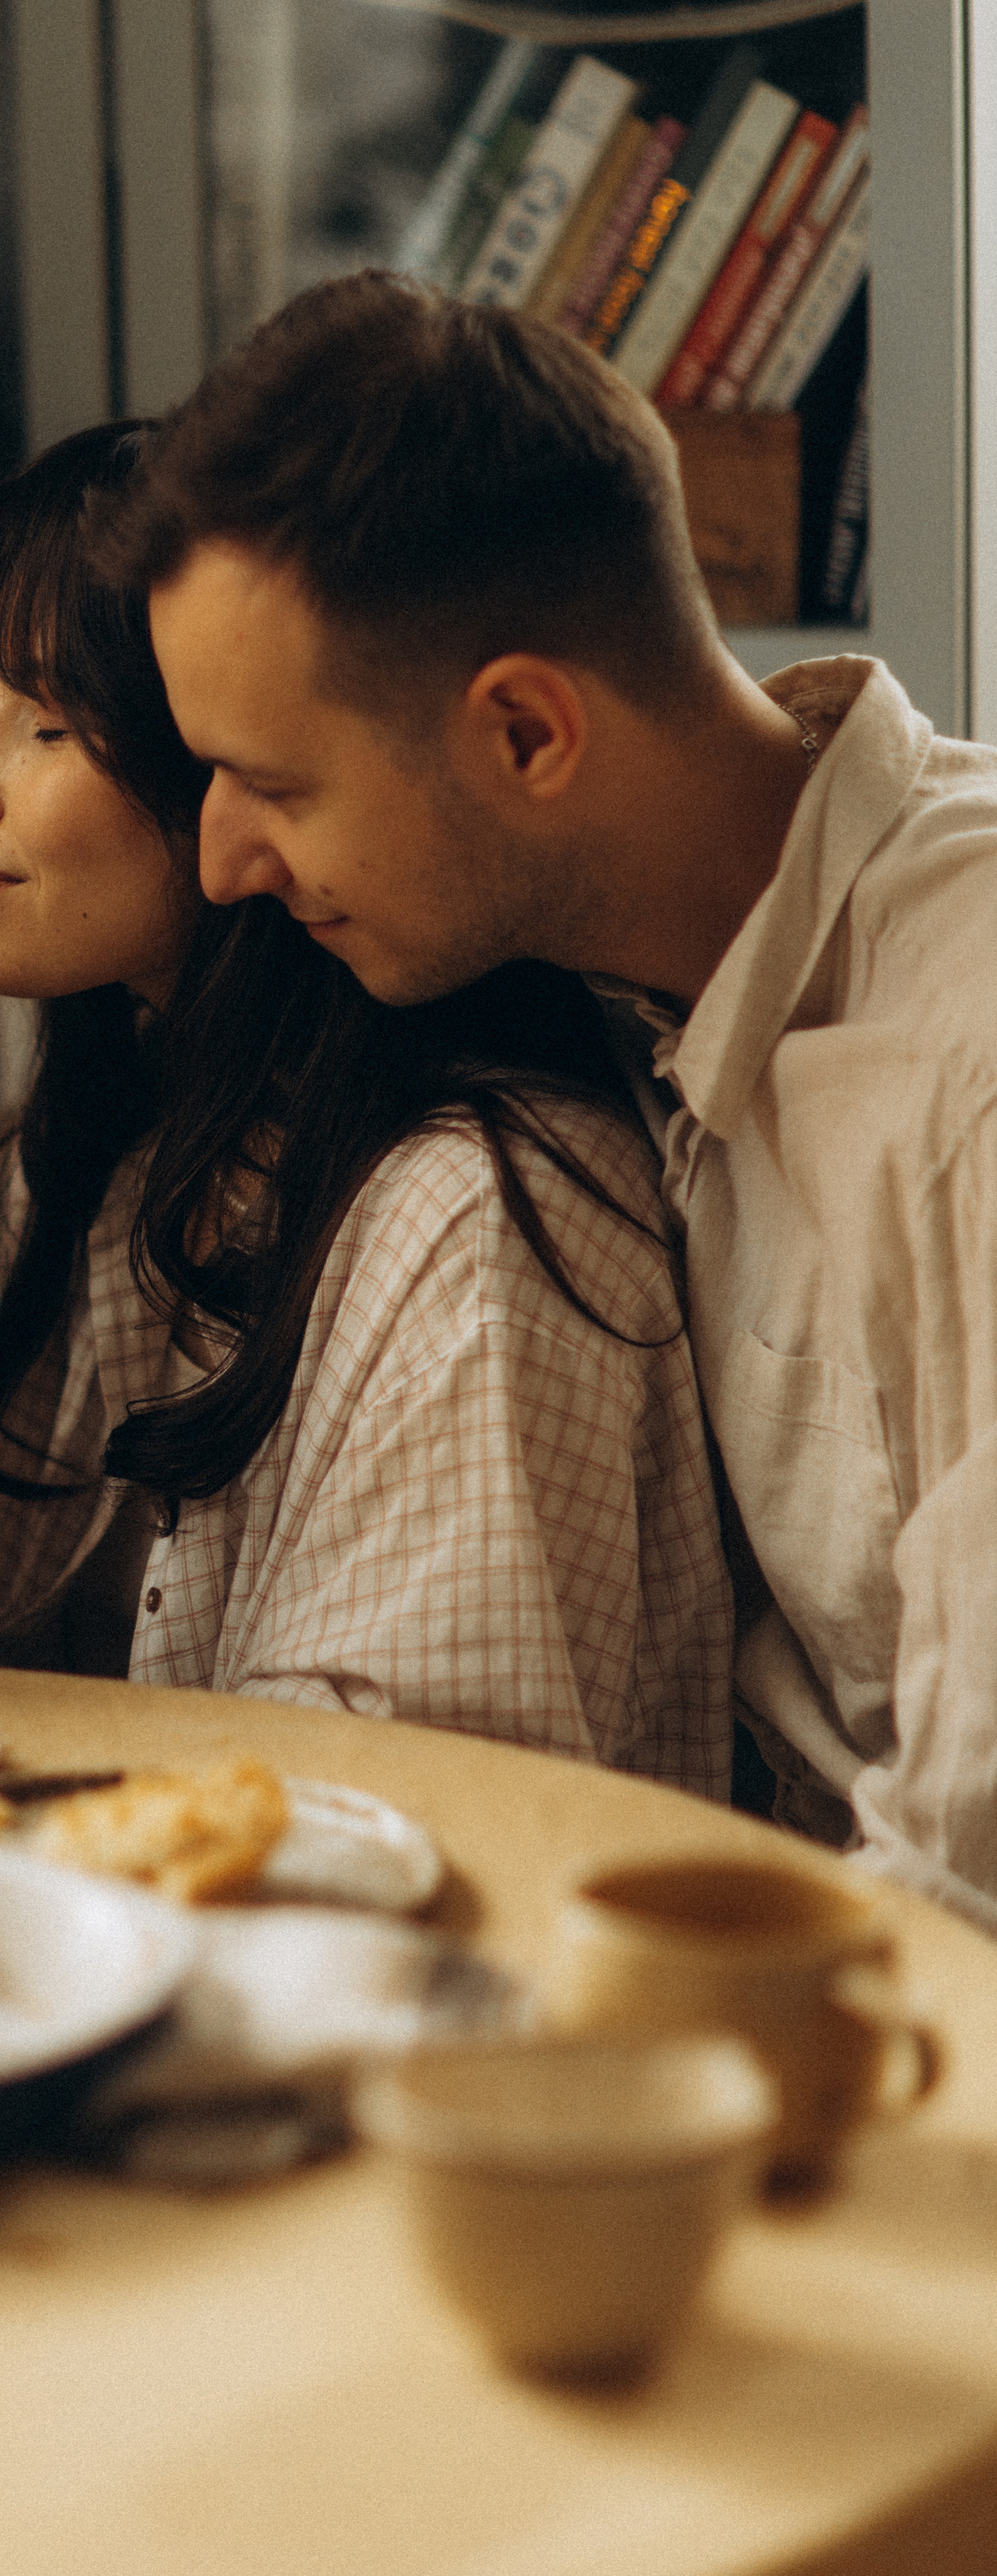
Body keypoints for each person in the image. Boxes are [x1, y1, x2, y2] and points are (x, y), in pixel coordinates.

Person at [108, 264, 997, 1926]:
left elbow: (969, 1884)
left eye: (272, 782)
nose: (223, 858)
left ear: (524, 732)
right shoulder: (639, 983)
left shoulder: (966, 1066)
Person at [0, 425, 732, 1793]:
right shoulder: (132, 1129)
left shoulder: (473, 1215)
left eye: (49, 720)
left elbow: (389, 1820)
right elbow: (23, 1636)